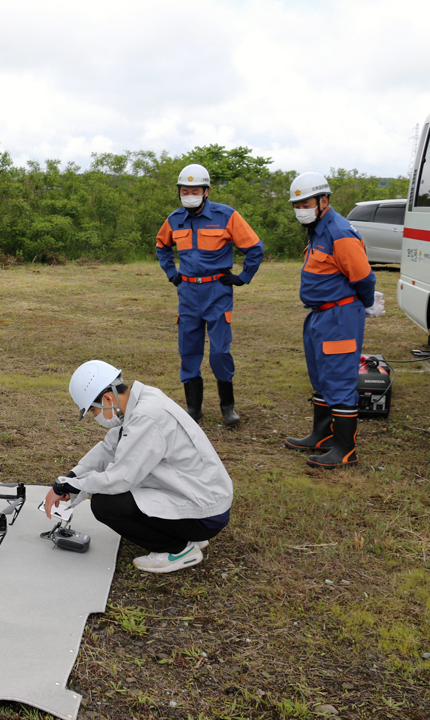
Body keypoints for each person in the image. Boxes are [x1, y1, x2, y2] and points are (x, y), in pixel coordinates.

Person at [44, 360, 233, 573]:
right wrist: (70, 478)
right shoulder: (141, 402)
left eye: (93, 412)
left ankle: (177, 549)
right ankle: (185, 535)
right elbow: (108, 449)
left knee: (105, 505)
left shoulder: (145, 417)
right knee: (122, 494)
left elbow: (118, 479)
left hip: (205, 512)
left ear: (107, 399)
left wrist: (70, 487)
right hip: (202, 496)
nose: (95, 417)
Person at [155, 164, 264, 425]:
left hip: (217, 291)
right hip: (189, 292)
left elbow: (255, 248)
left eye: (194, 190)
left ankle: (228, 408)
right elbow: (162, 246)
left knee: (219, 351)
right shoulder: (174, 219)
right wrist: (172, 274)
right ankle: (194, 409)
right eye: (184, 190)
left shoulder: (227, 216)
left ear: (206, 191)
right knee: (189, 350)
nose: (188, 194)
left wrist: (242, 277)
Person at [284, 172, 376, 469]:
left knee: (338, 379)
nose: (301, 209)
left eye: (305, 202)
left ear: (323, 201)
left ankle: (345, 449)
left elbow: (363, 276)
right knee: (321, 377)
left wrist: (368, 304)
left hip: (339, 316)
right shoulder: (318, 229)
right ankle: (321, 435)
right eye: (296, 204)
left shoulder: (339, 231)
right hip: (319, 315)